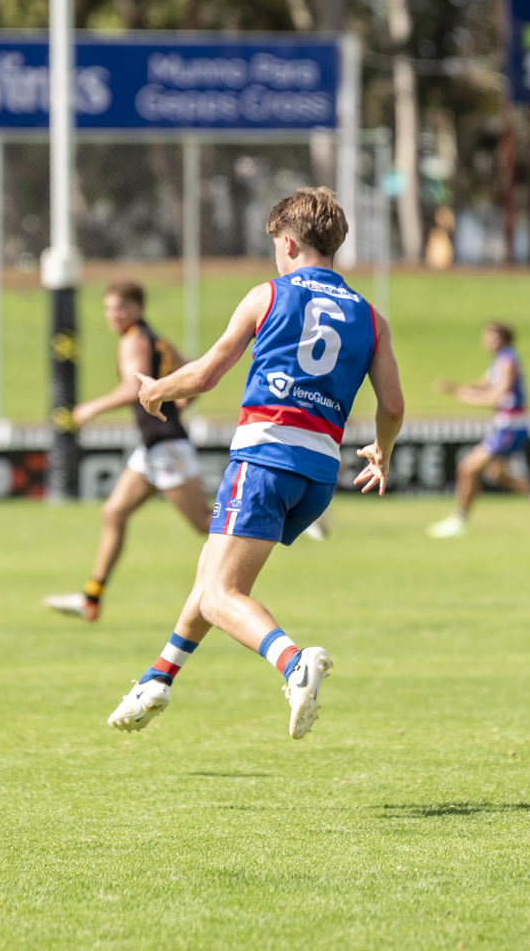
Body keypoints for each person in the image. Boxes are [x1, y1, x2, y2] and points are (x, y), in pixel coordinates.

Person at [105, 187, 405, 739]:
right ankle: (158, 678)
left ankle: (294, 663)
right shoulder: (370, 316)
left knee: (222, 595)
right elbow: (392, 405)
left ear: (288, 243)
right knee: (211, 575)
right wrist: (382, 449)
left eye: (274, 246)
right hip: (317, 476)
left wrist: (155, 392)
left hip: (265, 457)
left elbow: (204, 375)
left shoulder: (267, 295)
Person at [42, 281, 211, 622]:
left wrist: (90, 408)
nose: (113, 315)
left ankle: (292, 516)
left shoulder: (134, 339)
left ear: (138, 308)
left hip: (164, 445)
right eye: (108, 308)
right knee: (114, 512)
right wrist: (179, 403)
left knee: (207, 524)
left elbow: (133, 389)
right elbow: (193, 372)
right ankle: (91, 598)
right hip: (153, 447)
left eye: (119, 307)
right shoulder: (154, 338)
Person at [427, 323, 530, 537]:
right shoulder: (500, 360)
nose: (487, 342)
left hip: (510, 428)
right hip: (510, 427)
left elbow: (498, 395)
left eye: (492, 338)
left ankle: (459, 520)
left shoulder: (507, 361)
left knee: (467, 469)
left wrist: (468, 398)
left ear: (504, 339)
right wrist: (454, 388)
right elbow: (483, 385)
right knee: (496, 474)